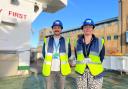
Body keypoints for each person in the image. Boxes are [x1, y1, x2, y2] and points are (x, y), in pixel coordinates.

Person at [75, 18, 105, 89]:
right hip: (81, 73)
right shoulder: (77, 43)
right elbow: (77, 57)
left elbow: (101, 57)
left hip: (96, 73)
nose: (87, 29)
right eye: (85, 27)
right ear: (83, 29)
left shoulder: (100, 42)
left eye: (90, 27)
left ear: (93, 29)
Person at [42, 20, 71, 89]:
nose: (57, 29)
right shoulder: (47, 40)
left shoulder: (66, 40)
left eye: (58, 27)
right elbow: (44, 53)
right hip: (49, 70)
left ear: (61, 29)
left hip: (62, 70)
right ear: (52, 29)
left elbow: (69, 54)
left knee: (61, 87)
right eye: (55, 27)